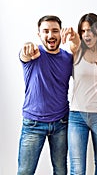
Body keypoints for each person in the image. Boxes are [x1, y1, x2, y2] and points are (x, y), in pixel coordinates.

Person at [18, 15, 73, 175]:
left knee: (61, 171)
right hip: (33, 124)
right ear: (39, 34)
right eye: (46, 31)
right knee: (25, 172)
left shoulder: (68, 59)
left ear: (60, 33)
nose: (50, 35)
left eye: (55, 30)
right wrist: (26, 48)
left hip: (61, 123)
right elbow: (25, 54)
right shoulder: (34, 54)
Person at [60, 13, 97, 175]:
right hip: (77, 116)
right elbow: (75, 41)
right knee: (77, 168)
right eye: (83, 31)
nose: (87, 35)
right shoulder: (76, 51)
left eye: (90, 30)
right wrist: (71, 34)